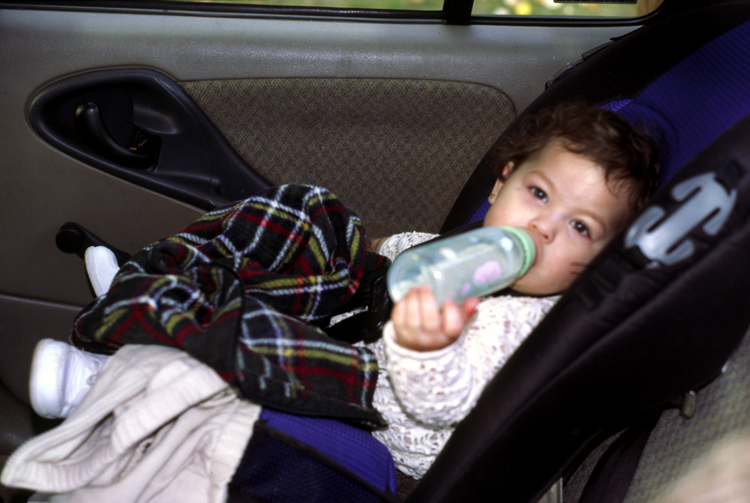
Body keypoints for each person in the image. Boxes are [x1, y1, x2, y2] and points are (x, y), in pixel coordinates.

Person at [27, 102, 659, 483]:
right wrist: (381, 261)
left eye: (580, 228)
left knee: (277, 346)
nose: (542, 228)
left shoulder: (533, 323)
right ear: (502, 185)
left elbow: (442, 402)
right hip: (367, 317)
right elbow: (408, 256)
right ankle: (157, 288)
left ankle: (109, 382)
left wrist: (424, 347)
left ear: (595, 263)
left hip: (383, 401)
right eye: (538, 194)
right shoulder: (474, 250)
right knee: (309, 213)